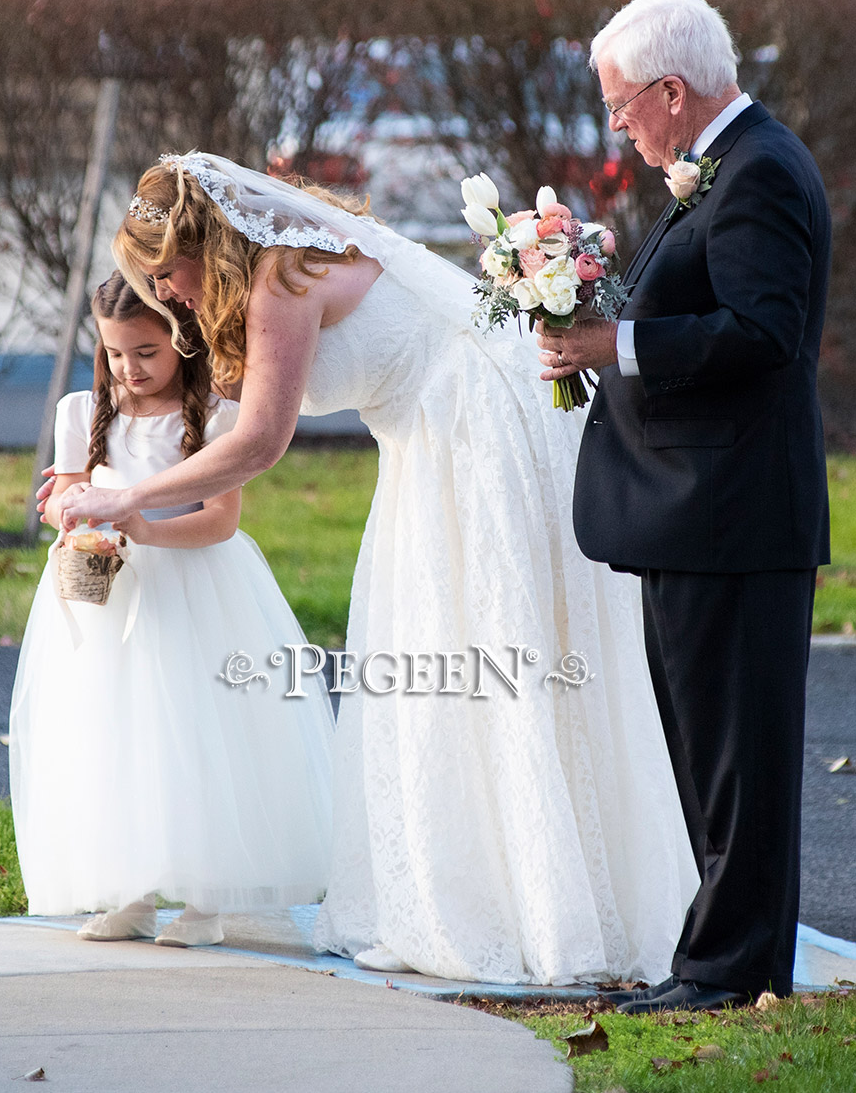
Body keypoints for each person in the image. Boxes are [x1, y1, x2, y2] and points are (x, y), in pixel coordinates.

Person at [46, 152, 698, 986]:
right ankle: (459, 894)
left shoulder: (282, 279)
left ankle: (532, 906)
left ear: (207, 243)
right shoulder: (264, 278)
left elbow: (258, 444)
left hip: (475, 427)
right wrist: (89, 479)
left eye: (168, 273)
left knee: (492, 653)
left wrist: (120, 501)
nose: (167, 292)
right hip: (424, 438)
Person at [538, 0, 831, 1011]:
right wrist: (592, 314)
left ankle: (725, 972)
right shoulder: (726, 168)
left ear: (671, 90)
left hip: (732, 514)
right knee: (715, 758)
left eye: (620, 103)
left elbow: (760, 335)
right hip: (701, 510)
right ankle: (724, 964)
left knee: (734, 764)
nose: (616, 122)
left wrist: (609, 342)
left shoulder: (753, 172)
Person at [11, 271, 333, 945]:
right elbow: (70, 496)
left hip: (194, 592)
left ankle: (205, 902)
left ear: (181, 343)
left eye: (146, 353)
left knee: (195, 736)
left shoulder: (214, 416)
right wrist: (66, 514)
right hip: (105, 598)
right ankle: (129, 892)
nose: (129, 368)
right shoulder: (80, 413)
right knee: (115, 736)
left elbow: (220, 522)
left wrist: (143, 528)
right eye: (116, 353)